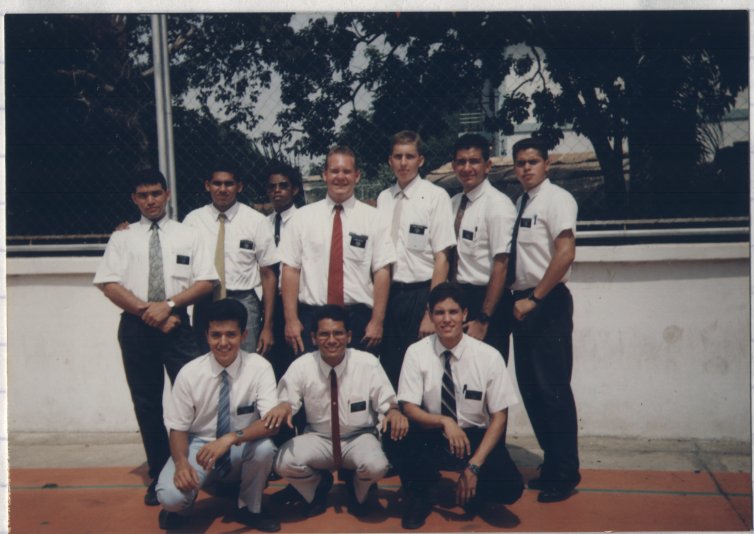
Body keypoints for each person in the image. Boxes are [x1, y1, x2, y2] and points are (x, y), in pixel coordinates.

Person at [93, 168, 217, 506]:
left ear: (167, 194)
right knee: (147, 404)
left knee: (194, 399)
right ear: (134, 198)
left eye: (156, 193)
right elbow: (108, 284)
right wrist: (149, 312)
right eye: (143, 195)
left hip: (178, 325)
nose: (150, 200)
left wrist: (169, 306)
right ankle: (160, 473)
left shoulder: (189, 235)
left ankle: (201, 467)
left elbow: (206, 282)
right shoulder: (122, 237)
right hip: (136, 327)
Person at [396, 282, 523, 529]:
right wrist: (445, 421)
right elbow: (408, 407)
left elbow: (499, 417)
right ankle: (420, 494)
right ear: (430, 315)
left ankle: (476, 492)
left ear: (464, 314)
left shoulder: (488, 356)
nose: (446, 319)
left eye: (453, 312)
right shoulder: (416, 352)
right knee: (396, 436)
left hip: (473, 436)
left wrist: (474, 466)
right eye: (439, 313)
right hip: (433, 432)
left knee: (510, 488)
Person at [264, 305, 408, 518]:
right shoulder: (302, 365)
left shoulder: (367, 363)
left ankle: (358, 489)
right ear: (313, 338)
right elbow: (287, 402)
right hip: (319, 438)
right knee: (283, 462)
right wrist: (284, 405)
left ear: (349, 336)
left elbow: (387, 402)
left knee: (377, 466)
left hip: (358, 438)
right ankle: (318, 485)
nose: (331, 340)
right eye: (324, 334)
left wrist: (393, 412)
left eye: (338, 333)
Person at [155, 299, 280, 531]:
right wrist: (181, 463)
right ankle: (182, 508)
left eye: (231, 335)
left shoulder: (260, 367)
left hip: (240, 444)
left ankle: (250, 508)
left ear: (243, 335)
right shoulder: (189, 373)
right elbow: (178, 428)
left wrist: (230, 438)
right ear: (206, 336)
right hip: (199, 447)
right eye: (216, 335)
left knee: (264, 449)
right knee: (171, 498)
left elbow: (271, 423)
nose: (223, 343)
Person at [508, 137, 581, 503]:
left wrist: (535, 299)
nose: (526, 168)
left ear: (546, 164)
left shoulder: (557, 199)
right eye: (521, 163)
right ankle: (552, 464)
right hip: (522, 302)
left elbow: (565, 253)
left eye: (533, 162)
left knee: (553, 390)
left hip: (545, 302)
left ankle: (565, 474)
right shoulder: (521, 202)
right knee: (532, 390)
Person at [278, 146, 396, 356]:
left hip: (358, 318)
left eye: (347, 171)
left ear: (357, 176)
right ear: (325, 174)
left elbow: (382, 271)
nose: (340, 177)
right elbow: (290, 270)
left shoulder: (375, 219)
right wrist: (291, 320)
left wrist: (377, 321)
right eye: (334, 171)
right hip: (312, 317)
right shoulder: (301, 219)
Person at [376, 130, 456, 387]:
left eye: (409, 157)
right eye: (398, 157)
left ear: (420, 160)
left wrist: (430, 312)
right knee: (391, 369)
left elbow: (442, 257)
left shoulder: (435, 197)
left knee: (422, 370)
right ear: (390, 160)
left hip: (421, 293)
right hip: (390, 295)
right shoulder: (384, 199)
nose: (403, 163)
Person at [183, 162, 278, 355]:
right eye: (217, 183)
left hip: (243, 301)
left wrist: (267, 326)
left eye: (229, 184)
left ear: (239, 186)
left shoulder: (256, 221)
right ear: (207, 185)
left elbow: (268, 274)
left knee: (246, 362)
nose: (223, 189)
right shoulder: (193, 221)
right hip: (205, 301)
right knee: (206, 362)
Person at [450, 133, 517, 361]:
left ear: (487, 166)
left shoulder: (498, 205)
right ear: (453, 166)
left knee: (486, 373)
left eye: (474, 161)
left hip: (488, 301)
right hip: (459, 297)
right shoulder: (453, 203)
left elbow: (502, 265)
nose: (467, 168)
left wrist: (484, 318)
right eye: (461, 162)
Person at [264, 162, 303, 380]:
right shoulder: (263, 224)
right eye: (272, 187)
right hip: (271, 302)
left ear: (294, 189)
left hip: (296, 301)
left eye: (283, 186)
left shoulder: (305, 221)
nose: (277, 191)